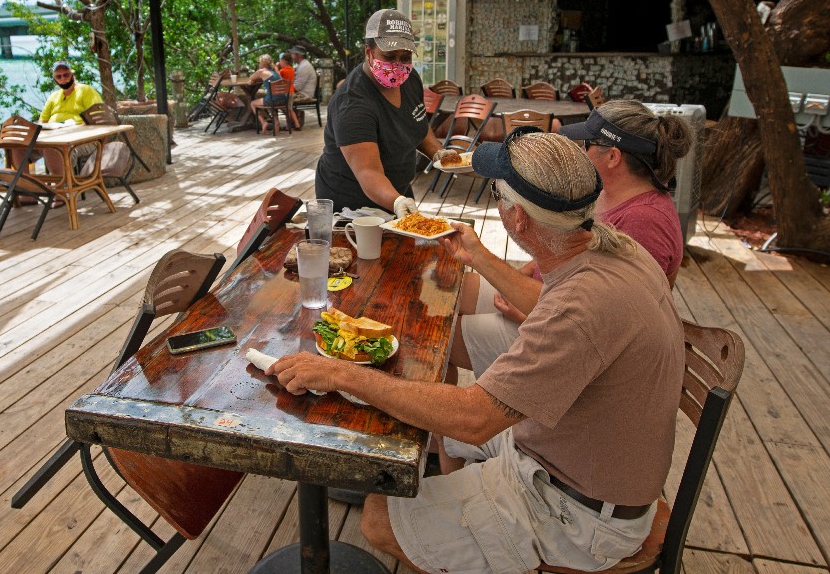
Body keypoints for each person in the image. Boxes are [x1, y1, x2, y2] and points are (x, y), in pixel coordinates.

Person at [267, 129, 685, 574]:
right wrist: (480, 257)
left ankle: (483, 544)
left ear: (519, 219)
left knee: (378, 517)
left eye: (497, 195)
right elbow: (555, 309)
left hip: (581, 513)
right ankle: (463, 510)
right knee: (440, 424)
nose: (498, 206)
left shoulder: (579, 308)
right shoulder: (615, 251)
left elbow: (474, 420)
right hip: (583, 457)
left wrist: (339, 374)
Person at [447, 100, 694, 376]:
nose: (580, 150)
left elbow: (604, 323)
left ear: (613, 156)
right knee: (449, 292)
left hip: (562, 334)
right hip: (545, 299)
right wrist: (522, 274)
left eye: (586, 143)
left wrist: (525, 316)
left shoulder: (646, 222)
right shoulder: (604, 192)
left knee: (441, 335)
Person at [315, 9, 444, 215]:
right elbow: (368, 171)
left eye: (405, 57)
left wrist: (438, 152)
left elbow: (416, 122)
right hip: (351, 202)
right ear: (369, 52)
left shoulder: (410, 79)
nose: (398, 65)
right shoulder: (352, 104)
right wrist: (397, 202)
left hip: (397, 190)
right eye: (390, 56)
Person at [12, 60, 103, 179]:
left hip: (83, 140)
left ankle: (62, 190)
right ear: (55, 79)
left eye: (66, 75)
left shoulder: (86, 91)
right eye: (59, 76)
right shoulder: (53, 97)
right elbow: (42, 122)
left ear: (72, 75)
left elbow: (97, 116)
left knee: (53, 147)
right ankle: (26, 189)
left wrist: (75, 130)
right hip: (54, 138)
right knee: (17, 146)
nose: (63, 79)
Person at [248, 54, 287, 134]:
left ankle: (263, 122)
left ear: (263, 63)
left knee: (252, 103)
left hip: (273, 100)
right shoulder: (275, 72)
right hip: (283, 99)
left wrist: (253, 79)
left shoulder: (261, 71)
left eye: (259, 62)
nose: (259, 64)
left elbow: (251, 78)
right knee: (269, 103)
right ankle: (276, 123)